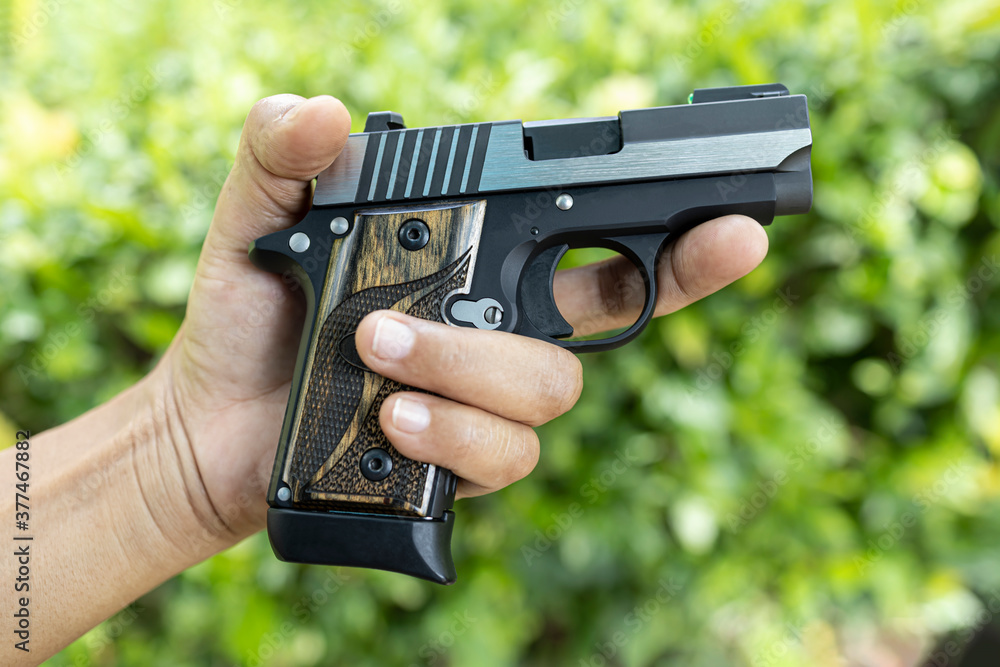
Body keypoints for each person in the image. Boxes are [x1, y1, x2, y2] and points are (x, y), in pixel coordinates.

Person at [1, 94, 769, 665]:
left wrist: (174, 467)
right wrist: (174, 456)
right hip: (415, 221)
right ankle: (351, 498)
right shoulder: (416, 207)